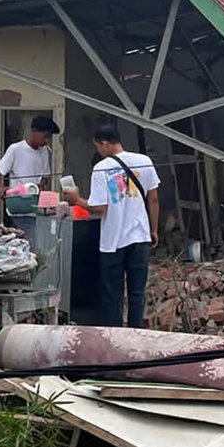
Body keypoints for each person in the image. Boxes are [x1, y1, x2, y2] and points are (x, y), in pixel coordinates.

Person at [64, 124, 160, 328]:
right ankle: (135, 333)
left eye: (98, 146)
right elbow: (153, 200)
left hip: (113, 242)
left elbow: (100, 207)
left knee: (112, 294)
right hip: (140, 238)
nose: (98, 151)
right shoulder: (144, 161)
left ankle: (114, 335)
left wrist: (77, 200)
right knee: (137, 293)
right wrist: (153, 229)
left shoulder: (101, 168)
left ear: (105, 144)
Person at [0, 116, 60, 193]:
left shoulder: (44, 151)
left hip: (35, 195)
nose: (47, 141)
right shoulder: (15, 149)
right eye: (45, 136)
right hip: (18, 196)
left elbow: (45, 176)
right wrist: (0, 188)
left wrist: (41, 185)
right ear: (34, 131)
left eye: (49, 137)